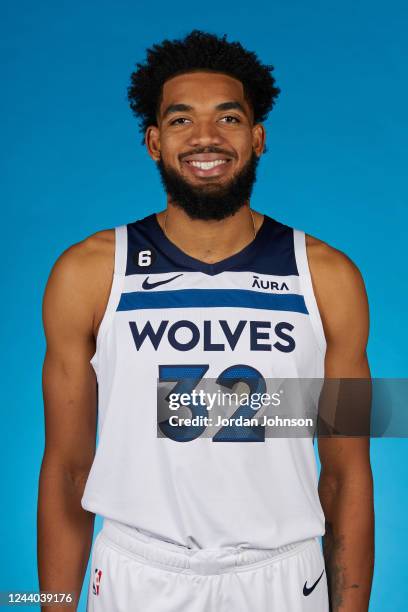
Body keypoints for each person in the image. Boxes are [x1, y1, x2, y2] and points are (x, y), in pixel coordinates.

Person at [37, 30, 374, 612]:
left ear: (258, 137)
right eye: (180, 120)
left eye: (229, 118)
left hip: (283, 575)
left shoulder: (328, 277)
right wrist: (54, 605)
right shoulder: (89, 271)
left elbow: (348, 473)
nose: (206, 138)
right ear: (153, 141)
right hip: (135, 573)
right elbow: (68, 468)